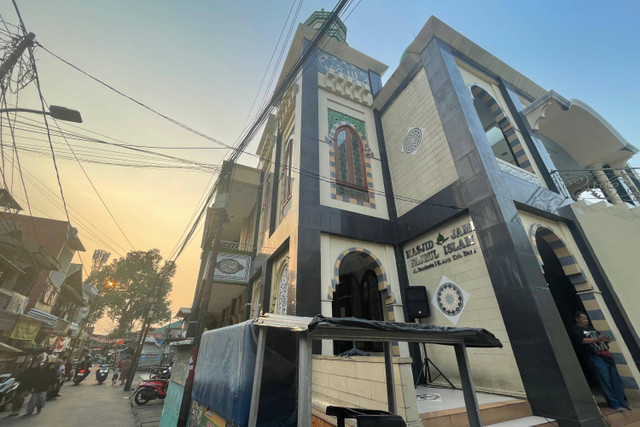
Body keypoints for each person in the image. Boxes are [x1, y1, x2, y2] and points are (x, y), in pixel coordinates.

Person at [571, 311, 630, 411]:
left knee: (616, 380)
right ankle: (614, 403)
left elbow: (599, 337)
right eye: (583, 318)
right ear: (577, 319)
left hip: (606, 355)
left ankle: (622, 402)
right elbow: (581, 340)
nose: (586, 320)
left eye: (586, 318)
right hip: (594, 355)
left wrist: (605, 339)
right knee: (605, 380)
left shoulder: (591, 329)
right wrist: (596, 339)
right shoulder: (576, 329)